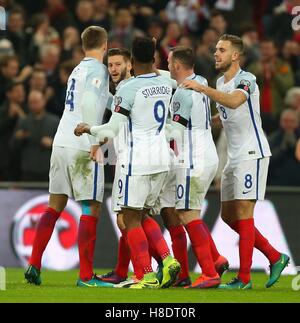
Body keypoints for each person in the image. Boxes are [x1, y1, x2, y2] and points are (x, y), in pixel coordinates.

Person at [182, 34, 290, 289]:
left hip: (252, 154)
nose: (215, 53)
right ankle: (275, 257)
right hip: (234, 157)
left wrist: (203, 89)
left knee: (244, 213)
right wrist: (205, 121)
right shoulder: (221, 81)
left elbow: (234, 101)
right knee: (230, 217)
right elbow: (225, 111)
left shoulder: (247, 79)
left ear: (235, 55)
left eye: (221, 49)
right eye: (215, 49)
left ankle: (244, 279)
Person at [75, 36, 181, 289]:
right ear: (154, 59)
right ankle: (167, 261)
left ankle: (146, 275)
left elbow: (112, 130)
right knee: (142, 216)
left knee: (129, 218)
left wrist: (88, 128)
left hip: (137, 160)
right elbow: (167, 75)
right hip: (161, 159)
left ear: (131, 62)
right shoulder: (166, 83)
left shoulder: (127, 90)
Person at [24, 26, 112, 288]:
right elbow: (88, 102)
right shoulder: (99, 70)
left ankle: (34, 263)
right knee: (91, 206)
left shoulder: (77, 69)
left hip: (61, 141)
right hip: (83, 143)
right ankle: (86, 276)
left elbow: (103, 100)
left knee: (55, 205)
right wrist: (95, 139)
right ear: (105, 45)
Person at [167, 46, 228, 289]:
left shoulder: (182, 94)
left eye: (169, 62)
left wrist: (150, 131)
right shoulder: (200, 81)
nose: (168, 66)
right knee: (187, 213)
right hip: (208, 154)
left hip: (192, 159)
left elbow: (176, 131)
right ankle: (216, 259)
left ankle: (209, 272)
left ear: (178, 66)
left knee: (188, 214)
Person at [12, 90, 59, 181]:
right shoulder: (23, 121)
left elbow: (64, 144)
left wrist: (53, 143)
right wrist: (18, 138)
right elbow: (14, 146)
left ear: (43, 101)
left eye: (36, 102)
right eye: (31, 103)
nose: (33, 105)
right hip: (29, 169)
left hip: (49, 168)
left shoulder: (54, 121)